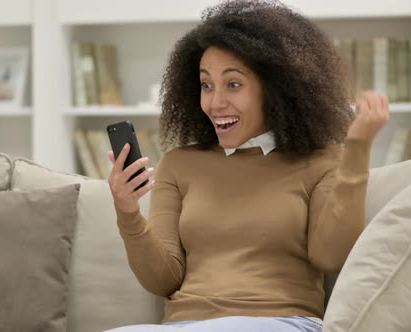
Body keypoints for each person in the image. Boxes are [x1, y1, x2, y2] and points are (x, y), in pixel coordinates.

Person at [105, 1, 388, 331]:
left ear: (276, 90)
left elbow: (331, 256)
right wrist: (127, 211)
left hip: (283, 322)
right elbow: (162, 280)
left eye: (233, 84)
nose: (215, 102)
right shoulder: (180, 165)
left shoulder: (320, 160)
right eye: (206, 85)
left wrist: (357, 149)